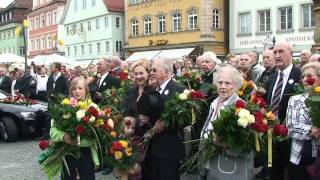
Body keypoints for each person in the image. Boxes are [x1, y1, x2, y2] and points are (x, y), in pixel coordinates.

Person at [198, 65, 254, 180]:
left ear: (236, 86)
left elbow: (247, 148)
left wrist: (224, 144)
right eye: (220, 83)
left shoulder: (242, 108)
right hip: (210, 166)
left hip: (229, 170)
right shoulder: (214, 103)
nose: (223, 87)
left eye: (228, 83)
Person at [50, 77, 99, 180]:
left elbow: (97, 134)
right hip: (67, 151)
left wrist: (79, 141)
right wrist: (64, 136)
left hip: (86, 152)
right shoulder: (63, 106)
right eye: (74, 88)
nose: (77, 91)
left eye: (80, 88)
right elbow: (53, 130)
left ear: (86, 90)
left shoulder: (93, 108)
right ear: (70, 91)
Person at [265, 42, 301, 180]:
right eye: (275, 52)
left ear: (291, 54)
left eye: (281, 52)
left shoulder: (299, 76)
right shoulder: (273, 77)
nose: (277, 55)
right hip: (272, 134)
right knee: (274, 171)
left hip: (291, 136)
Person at [123, 60, 163, 180]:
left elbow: (159, 115)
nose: (138, 76)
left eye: (141, 73)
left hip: (149, 138)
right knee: (133, 172)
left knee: (147, 172)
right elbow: (125, 111)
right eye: (136, 74)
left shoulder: (154, 91)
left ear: (147, 73)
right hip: (132, 136)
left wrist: (150, 120)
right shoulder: (130, 92)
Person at [149, 56, 185, 180]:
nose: (151, 73)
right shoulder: (152, 89)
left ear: (166, 72)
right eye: (151, 70)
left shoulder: (180, 90)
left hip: (169, 148)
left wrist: (166, 124)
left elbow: (184, 120)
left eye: (154, 70)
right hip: (153, 146)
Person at [286, 62, 320, 180]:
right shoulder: (295, 100)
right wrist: (312, 130)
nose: (305, 79)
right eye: (303, 76)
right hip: (300, 156)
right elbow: (291, 128)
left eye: (309, 76)